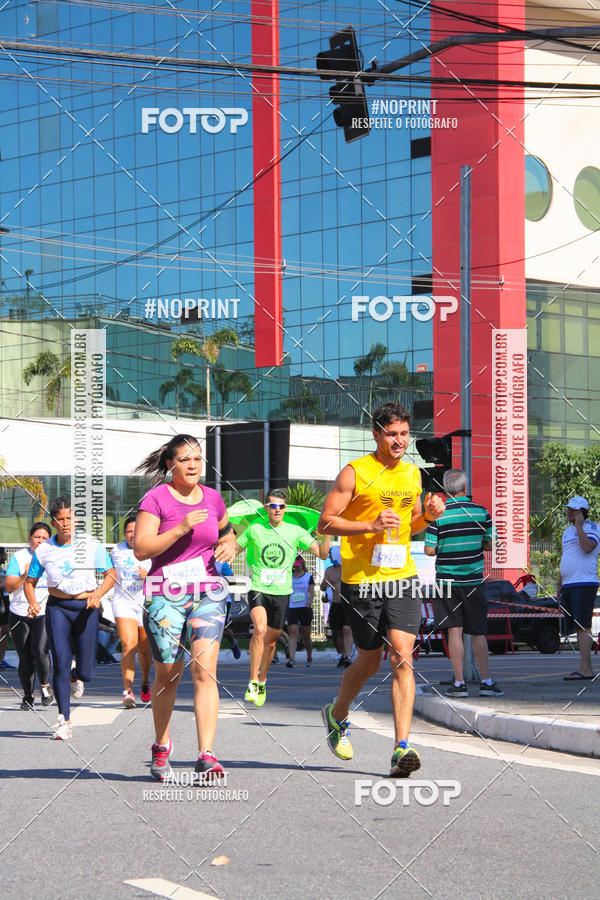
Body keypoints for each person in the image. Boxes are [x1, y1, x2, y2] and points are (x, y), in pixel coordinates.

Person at [318, 402, 445, 777]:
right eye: (391, 434)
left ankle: (401, 748)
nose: (399, 441)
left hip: (402, 576)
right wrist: (370, 525)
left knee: (403, 656)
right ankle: (337, 714)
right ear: (376, 434)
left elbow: (412, 524)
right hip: (363, 580)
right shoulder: (355, 472)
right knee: (370, 661)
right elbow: (325, 523)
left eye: (404, 434)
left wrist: (429, 516)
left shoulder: (412, 473)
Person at [134, 434, 236, 781]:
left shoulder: (213, 498)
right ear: (170, 464)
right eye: (185, 459)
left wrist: (231, 544)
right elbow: (142, 549)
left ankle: (206, 754)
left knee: (205, 671)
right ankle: (161, 744)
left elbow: (227, 532)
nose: (193, 465)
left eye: (197, 459)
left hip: (208, 592)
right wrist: (180, 528)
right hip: (164, 594)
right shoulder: (155, 499)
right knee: (168, 675)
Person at [23, 497, 116, 740]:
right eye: (60, 519)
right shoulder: (44, 550)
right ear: (53, 522)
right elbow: (29, 582)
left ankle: (78, 676)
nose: (66, 523)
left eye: (69, 518)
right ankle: (64, 720)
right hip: (58, 608)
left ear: (76, 520)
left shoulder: (91, 545)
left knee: (86, 671)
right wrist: (33, 602)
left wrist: (97, 594)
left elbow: (111, 574)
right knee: (61, 662)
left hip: (86, 608)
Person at [232, 488, 330, 707]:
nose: (277, 510)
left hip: (282, 593)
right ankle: (252, 681)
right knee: (259, 629)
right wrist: (220, 544)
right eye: (273, 506)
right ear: (266, 508)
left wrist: (327, 534)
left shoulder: (295, 531)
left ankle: (262, 680)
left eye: (281, 506)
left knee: (271, 641)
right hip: (258, 587)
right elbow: (234, 548)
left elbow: (322, 554)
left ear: (286, 509)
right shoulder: (255, 529)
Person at [424, 469, 501, 698]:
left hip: (447, 582)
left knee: (454, 631)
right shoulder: (481, 512)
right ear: (465, 488)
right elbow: (491, 544)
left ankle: (459, 684)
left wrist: (444, 546)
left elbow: (429, 550)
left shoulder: (438, 516)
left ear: (445, 489)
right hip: (474, 581)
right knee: (478, 632)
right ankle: (486, 681)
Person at [5, 522, 53, 708]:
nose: (40, 541)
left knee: (40, 651)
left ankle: (45, 687)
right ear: (29, 538)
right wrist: (25, 575)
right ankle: (28, 695)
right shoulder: (19, 557)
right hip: (19, 612)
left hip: (44, 611)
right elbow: (9, 586)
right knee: (24, 656)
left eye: (44, 538)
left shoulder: (53, 557)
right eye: (37, 537)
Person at [111, 517, 153, 707]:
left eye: (136, 531)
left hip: (145, 602)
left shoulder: (152, 549)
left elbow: (164, 576)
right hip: (123, 602)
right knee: (129, 645)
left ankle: (145, 681)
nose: (132, 535)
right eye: (129, 531)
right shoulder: (117, 551)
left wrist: (148, 576)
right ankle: (127, 691)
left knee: (145, 648)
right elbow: (109, 574)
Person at [558, 496, 600, 681]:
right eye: (569, 509)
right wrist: (560, 583)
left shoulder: (592, 527)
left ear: (582, 513)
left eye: (573, 510)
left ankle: (586, 669)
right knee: (577, 626)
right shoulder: (567, 532)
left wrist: (579, 527)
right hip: (569, 584)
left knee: (583, 625)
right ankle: (585, 667)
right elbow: (566, 556)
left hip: (584, 582)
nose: (569, 512)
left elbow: (588, 547)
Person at [322, 545, 352, 667]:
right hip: (336, 603)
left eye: (330, 554)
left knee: (347, 629)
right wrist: (326, 583)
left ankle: (348, 655)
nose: (329, 557)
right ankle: (343, 655)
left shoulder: (348, 568)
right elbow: (322, 587)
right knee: (338, 631)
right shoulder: (329, 570)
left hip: (348, 604)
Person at [286, 556, 314, 668]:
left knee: (306, 634)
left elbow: (311, 590)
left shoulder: (308, 576)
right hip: (292, 606)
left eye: (297, 566)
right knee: (293, 632)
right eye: (294, 566)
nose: (296, 568)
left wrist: (310, 601)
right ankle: (292, 658)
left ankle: (309, 656)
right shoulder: (289, 576)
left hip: (305, 607)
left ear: (302, 564)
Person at [215, 560, 242, 660]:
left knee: (223, 628)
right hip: (207, 601)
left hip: (224, 601)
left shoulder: (222, 564)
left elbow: (232, 581)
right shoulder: (203, 562)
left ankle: (233, 642)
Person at [0, 548, 15, 669]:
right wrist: (8, 583)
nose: (5, 556)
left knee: (4, 631)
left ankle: (1, 659)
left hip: (5, 601)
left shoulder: (3, 570)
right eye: (4, 554)